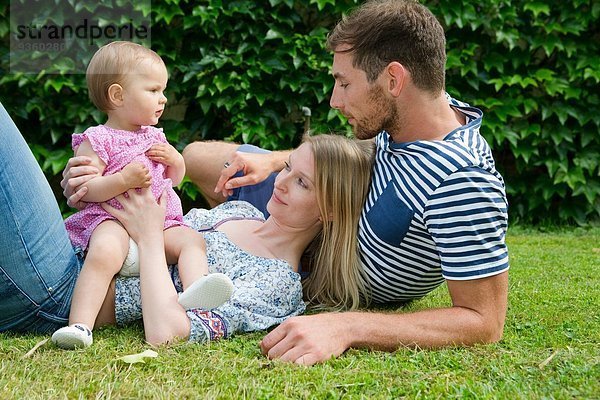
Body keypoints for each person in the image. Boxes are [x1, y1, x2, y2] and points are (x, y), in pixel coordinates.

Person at [179, 0, 510, 365]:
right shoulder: (413, 118)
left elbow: (484, 321)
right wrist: (277, 161)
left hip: (311, 252)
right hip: (306, 204)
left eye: (344, 82)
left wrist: (345, 327)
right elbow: (360, 153)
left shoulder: (461, 180)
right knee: (194, 158)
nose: (334, 100)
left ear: (394, 79)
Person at [0, 100, 374, 347]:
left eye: (303, 183)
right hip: (73, 250)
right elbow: (183, 167)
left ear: (330, 211)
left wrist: (148, 236)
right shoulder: (240, 212)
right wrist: (91, 180)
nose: (281, 182)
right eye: (288, 168)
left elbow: (168, 333)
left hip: (61, 298)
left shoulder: (276, 285)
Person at [51, 41, 234, 349]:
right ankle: (80, 325)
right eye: (152, 91)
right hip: (113, 219)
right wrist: (122, 180)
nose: (162, 99)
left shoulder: (156, 136)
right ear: (117, 95)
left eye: (163, 90)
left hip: (160, 224)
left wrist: (177, 162)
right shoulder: (98, 139)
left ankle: (195, 290)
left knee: (192, 241)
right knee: (105, 252)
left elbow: (174, 181)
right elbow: (87, 188)